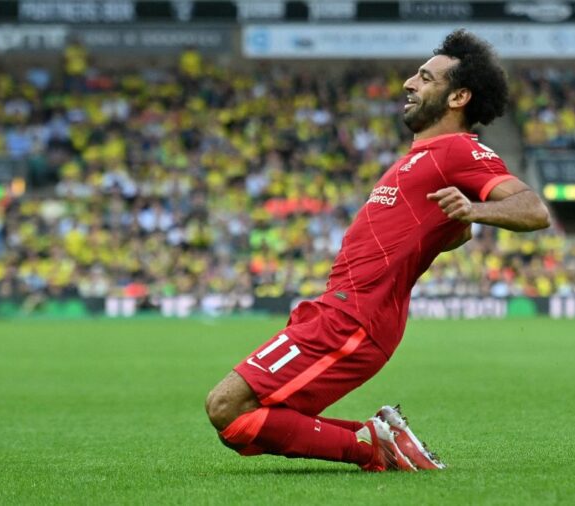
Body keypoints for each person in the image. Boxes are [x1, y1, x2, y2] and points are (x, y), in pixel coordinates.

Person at [205, 29, 550, 472]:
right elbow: (451, 232)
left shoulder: (459, 150)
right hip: (338, 311)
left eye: (426, 78)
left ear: (458, 97)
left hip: (354, 320)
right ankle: (381, 439)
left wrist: (475, 209)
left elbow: (533, 208)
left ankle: (375, 449)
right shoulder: (423, 155)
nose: (410, 82)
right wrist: (456, 222)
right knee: (239, 411)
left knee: (228, 408)